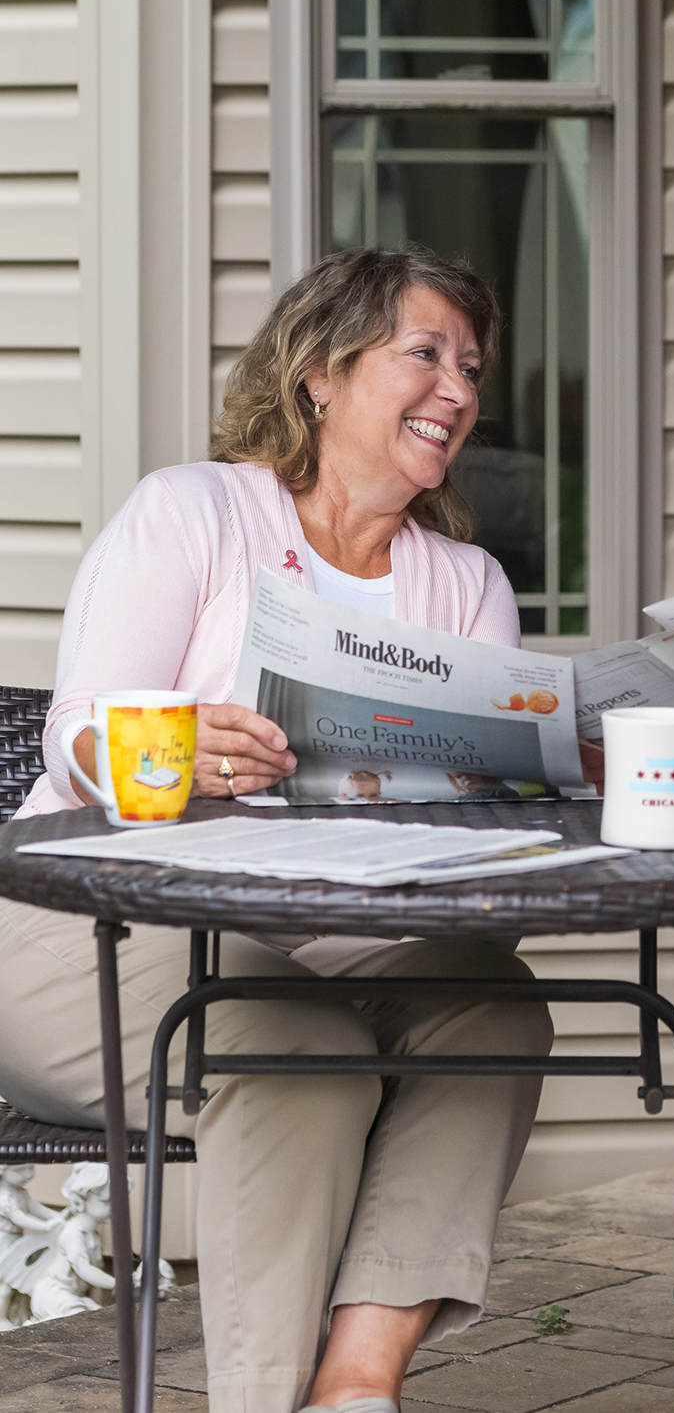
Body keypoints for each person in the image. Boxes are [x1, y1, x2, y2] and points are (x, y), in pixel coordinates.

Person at [0, 247, 554, 1413]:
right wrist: (171, 749)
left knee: (491, 999)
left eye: (472, 365)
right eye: (425, 354)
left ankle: (356, 1386)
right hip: (93, 925)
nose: (458, 389)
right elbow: (75, 735)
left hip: (336, 924)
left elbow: (473, 793)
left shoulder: (466, 583)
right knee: (296, 1043)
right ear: (320, 373)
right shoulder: (194, 511)